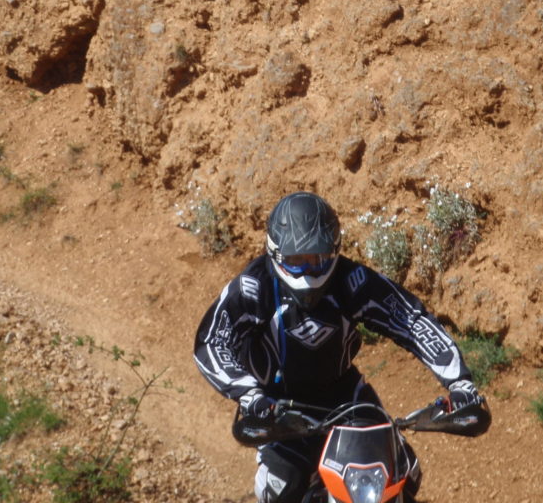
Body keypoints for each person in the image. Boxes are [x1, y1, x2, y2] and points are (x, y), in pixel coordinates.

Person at [193, 191, 485, 503]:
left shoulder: (353, 280)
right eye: (296, 261)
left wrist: (460, 383)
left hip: (346, 396)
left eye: (317, 260)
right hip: (279, 407)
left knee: (404, 474)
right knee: (280, 486)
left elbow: (411, 321)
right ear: (275, 254)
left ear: (334, 252)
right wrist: (249, 395)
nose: (308, 272)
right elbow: (213, 341)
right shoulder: (254, 287)